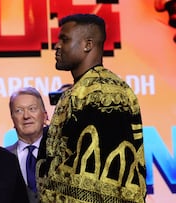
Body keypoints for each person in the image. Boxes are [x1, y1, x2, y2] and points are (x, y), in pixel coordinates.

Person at [37, 14, 147, 203]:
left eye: (64, 39)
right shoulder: (80, 90)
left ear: (88, 45)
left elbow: (103, 177)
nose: (57, 46)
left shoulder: (105, 93)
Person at [6, 87, 49, 203]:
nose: (26, 116)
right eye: (19, 111)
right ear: (12, 119)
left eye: (32, 109)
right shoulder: (2, 158)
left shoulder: (59, 154)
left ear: (45, 116)